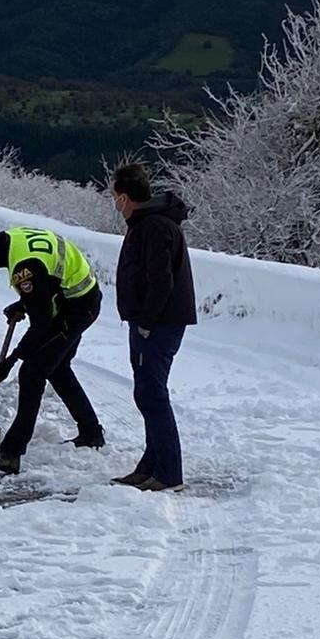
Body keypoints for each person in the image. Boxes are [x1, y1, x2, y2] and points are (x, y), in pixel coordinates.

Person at [0, 223, 104, 474]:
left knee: (32, 373)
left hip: (77, 308)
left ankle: (11, 454)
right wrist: (25, 302)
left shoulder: (25, 268)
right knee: (57, 368)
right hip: (73, 298)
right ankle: (91, 432)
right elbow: (45, 282)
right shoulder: (14, 239)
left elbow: (41, 326)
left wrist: (11, 360)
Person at [109, 164, 196, 492]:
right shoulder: (146, 223)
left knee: (152, 393)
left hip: (158, 324)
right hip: (149, 323)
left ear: (126, 197)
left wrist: (146, 320)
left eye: (115, 195)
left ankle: (169, 473)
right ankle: (151, 465)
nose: (114, 202)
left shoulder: (155, 227)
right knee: (146, 392)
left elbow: (161, 280)